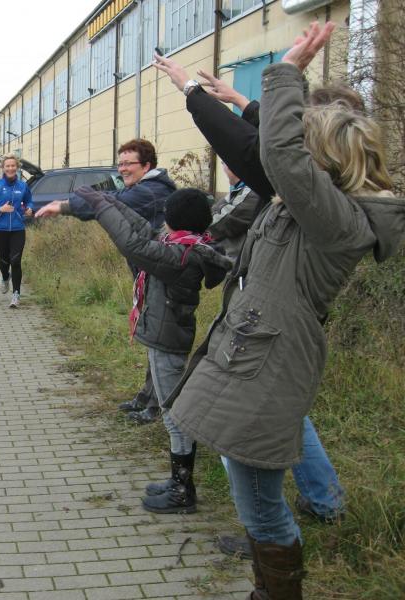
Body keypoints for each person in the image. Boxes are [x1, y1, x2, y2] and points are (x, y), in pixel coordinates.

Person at [158, 23, 404, 598]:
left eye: (305, 141)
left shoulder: (335, 221)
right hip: (252, 358)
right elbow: (269, 147)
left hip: (265, 366)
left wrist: (287, 71)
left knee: (261, 507)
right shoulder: (311, 206)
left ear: (325, 157)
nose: (293, 150)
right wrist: (247, 99)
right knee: (253, 496)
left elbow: (279, 153)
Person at [37, 187, 232, 514]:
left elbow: (133, 244)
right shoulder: (179, 245)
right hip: (163, 337)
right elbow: (140, 228)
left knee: (174, 415)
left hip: (168, 342)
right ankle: (178, 482)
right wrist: (108, 200)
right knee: (172, 412)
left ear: (173, 219)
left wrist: (100, 206)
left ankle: (183, 489)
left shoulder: (181, 256)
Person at [35, 138, 176, 423]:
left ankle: (158, 406)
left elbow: (110, 204)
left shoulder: (151, 191)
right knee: (152, 337)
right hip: (147, 274)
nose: (122, 169)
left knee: (160, 341)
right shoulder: (142, 186)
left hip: (161, 277)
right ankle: (148, 396)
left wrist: (64, 206)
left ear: (146, 165)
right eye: (119, 163)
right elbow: (111, 194)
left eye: (128, 163)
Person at [0, 153, 35, 308]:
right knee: (4, 262)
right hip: (0, 229)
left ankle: (16, 294)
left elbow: (29, 201)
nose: (11, 168)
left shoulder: (23, 186)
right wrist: (0, 209)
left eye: (13, 165)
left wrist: (29, 209)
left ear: (17, 167)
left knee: (16, 261)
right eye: (8, 166)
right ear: (3, 168)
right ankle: (5, 277)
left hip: (18, 229)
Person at [209, 162, 262, 261]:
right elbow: (214, 211)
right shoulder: (239, 189)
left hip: (238, 261)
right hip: (234, 258)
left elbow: (218, 222)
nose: (223, 167)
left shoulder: (252, 192)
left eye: (223, 163)